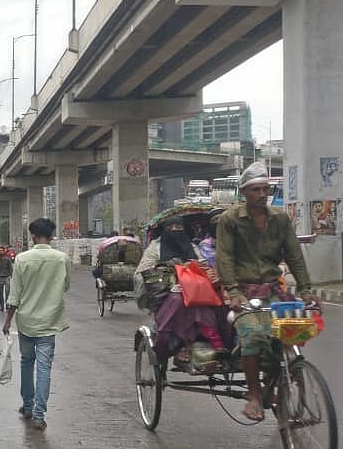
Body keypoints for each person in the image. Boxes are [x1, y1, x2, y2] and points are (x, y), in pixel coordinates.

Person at [216, 161, 318, 420]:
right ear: (244, 193)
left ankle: (272, 381)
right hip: (244, 292)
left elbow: (294, 256)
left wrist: (306, 290)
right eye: (255, 190)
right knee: (253, 336)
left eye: (265, 189)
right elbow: (224, 258)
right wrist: (233, 291)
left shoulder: (280, 219)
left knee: (287, 333)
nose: (262, 194)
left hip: (273, 290)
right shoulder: (230, 220)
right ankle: (254, 394)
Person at [2, 218, 71, 430]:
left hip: (26, 322)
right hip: (49, 321)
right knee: (44, 368)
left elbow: (14, 295)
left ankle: (28, 405)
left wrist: (8, 321)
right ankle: (39, 415)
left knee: (26, 362)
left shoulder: (22, 259)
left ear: (32, 236)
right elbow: (66, 287)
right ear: (51, 236)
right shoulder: (62, 259)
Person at [134, 216, 225, 360]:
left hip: (195, 289)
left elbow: (204, 267)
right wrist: (170, 275)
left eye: (179, 228)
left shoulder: (194, 247)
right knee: (177, 301)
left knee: (215, 302)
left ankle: (216, 341)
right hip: (166, 291)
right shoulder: (155, 248)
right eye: (170, 228)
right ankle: (176, 344)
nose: (175, 231)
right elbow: (143, 273)